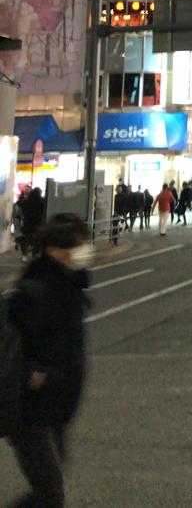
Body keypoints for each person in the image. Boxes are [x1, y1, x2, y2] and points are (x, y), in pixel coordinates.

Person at [9, 212, 92, 508]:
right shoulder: (35, 290)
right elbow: (8, 344)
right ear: (56, 250)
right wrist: (34, 374)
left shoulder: (68, 285)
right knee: (50, 494)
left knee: (48, 489)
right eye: (79, 245)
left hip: (55, 409)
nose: (85, 251)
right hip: (32, 411)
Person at [20, 185, 45, 259]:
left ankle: (24, 254)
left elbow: (23, 209)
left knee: (26, 239)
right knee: (37, 239)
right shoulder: (41, 201)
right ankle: (35, 253)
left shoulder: (28, 200)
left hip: (28, 222)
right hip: (37, 222)